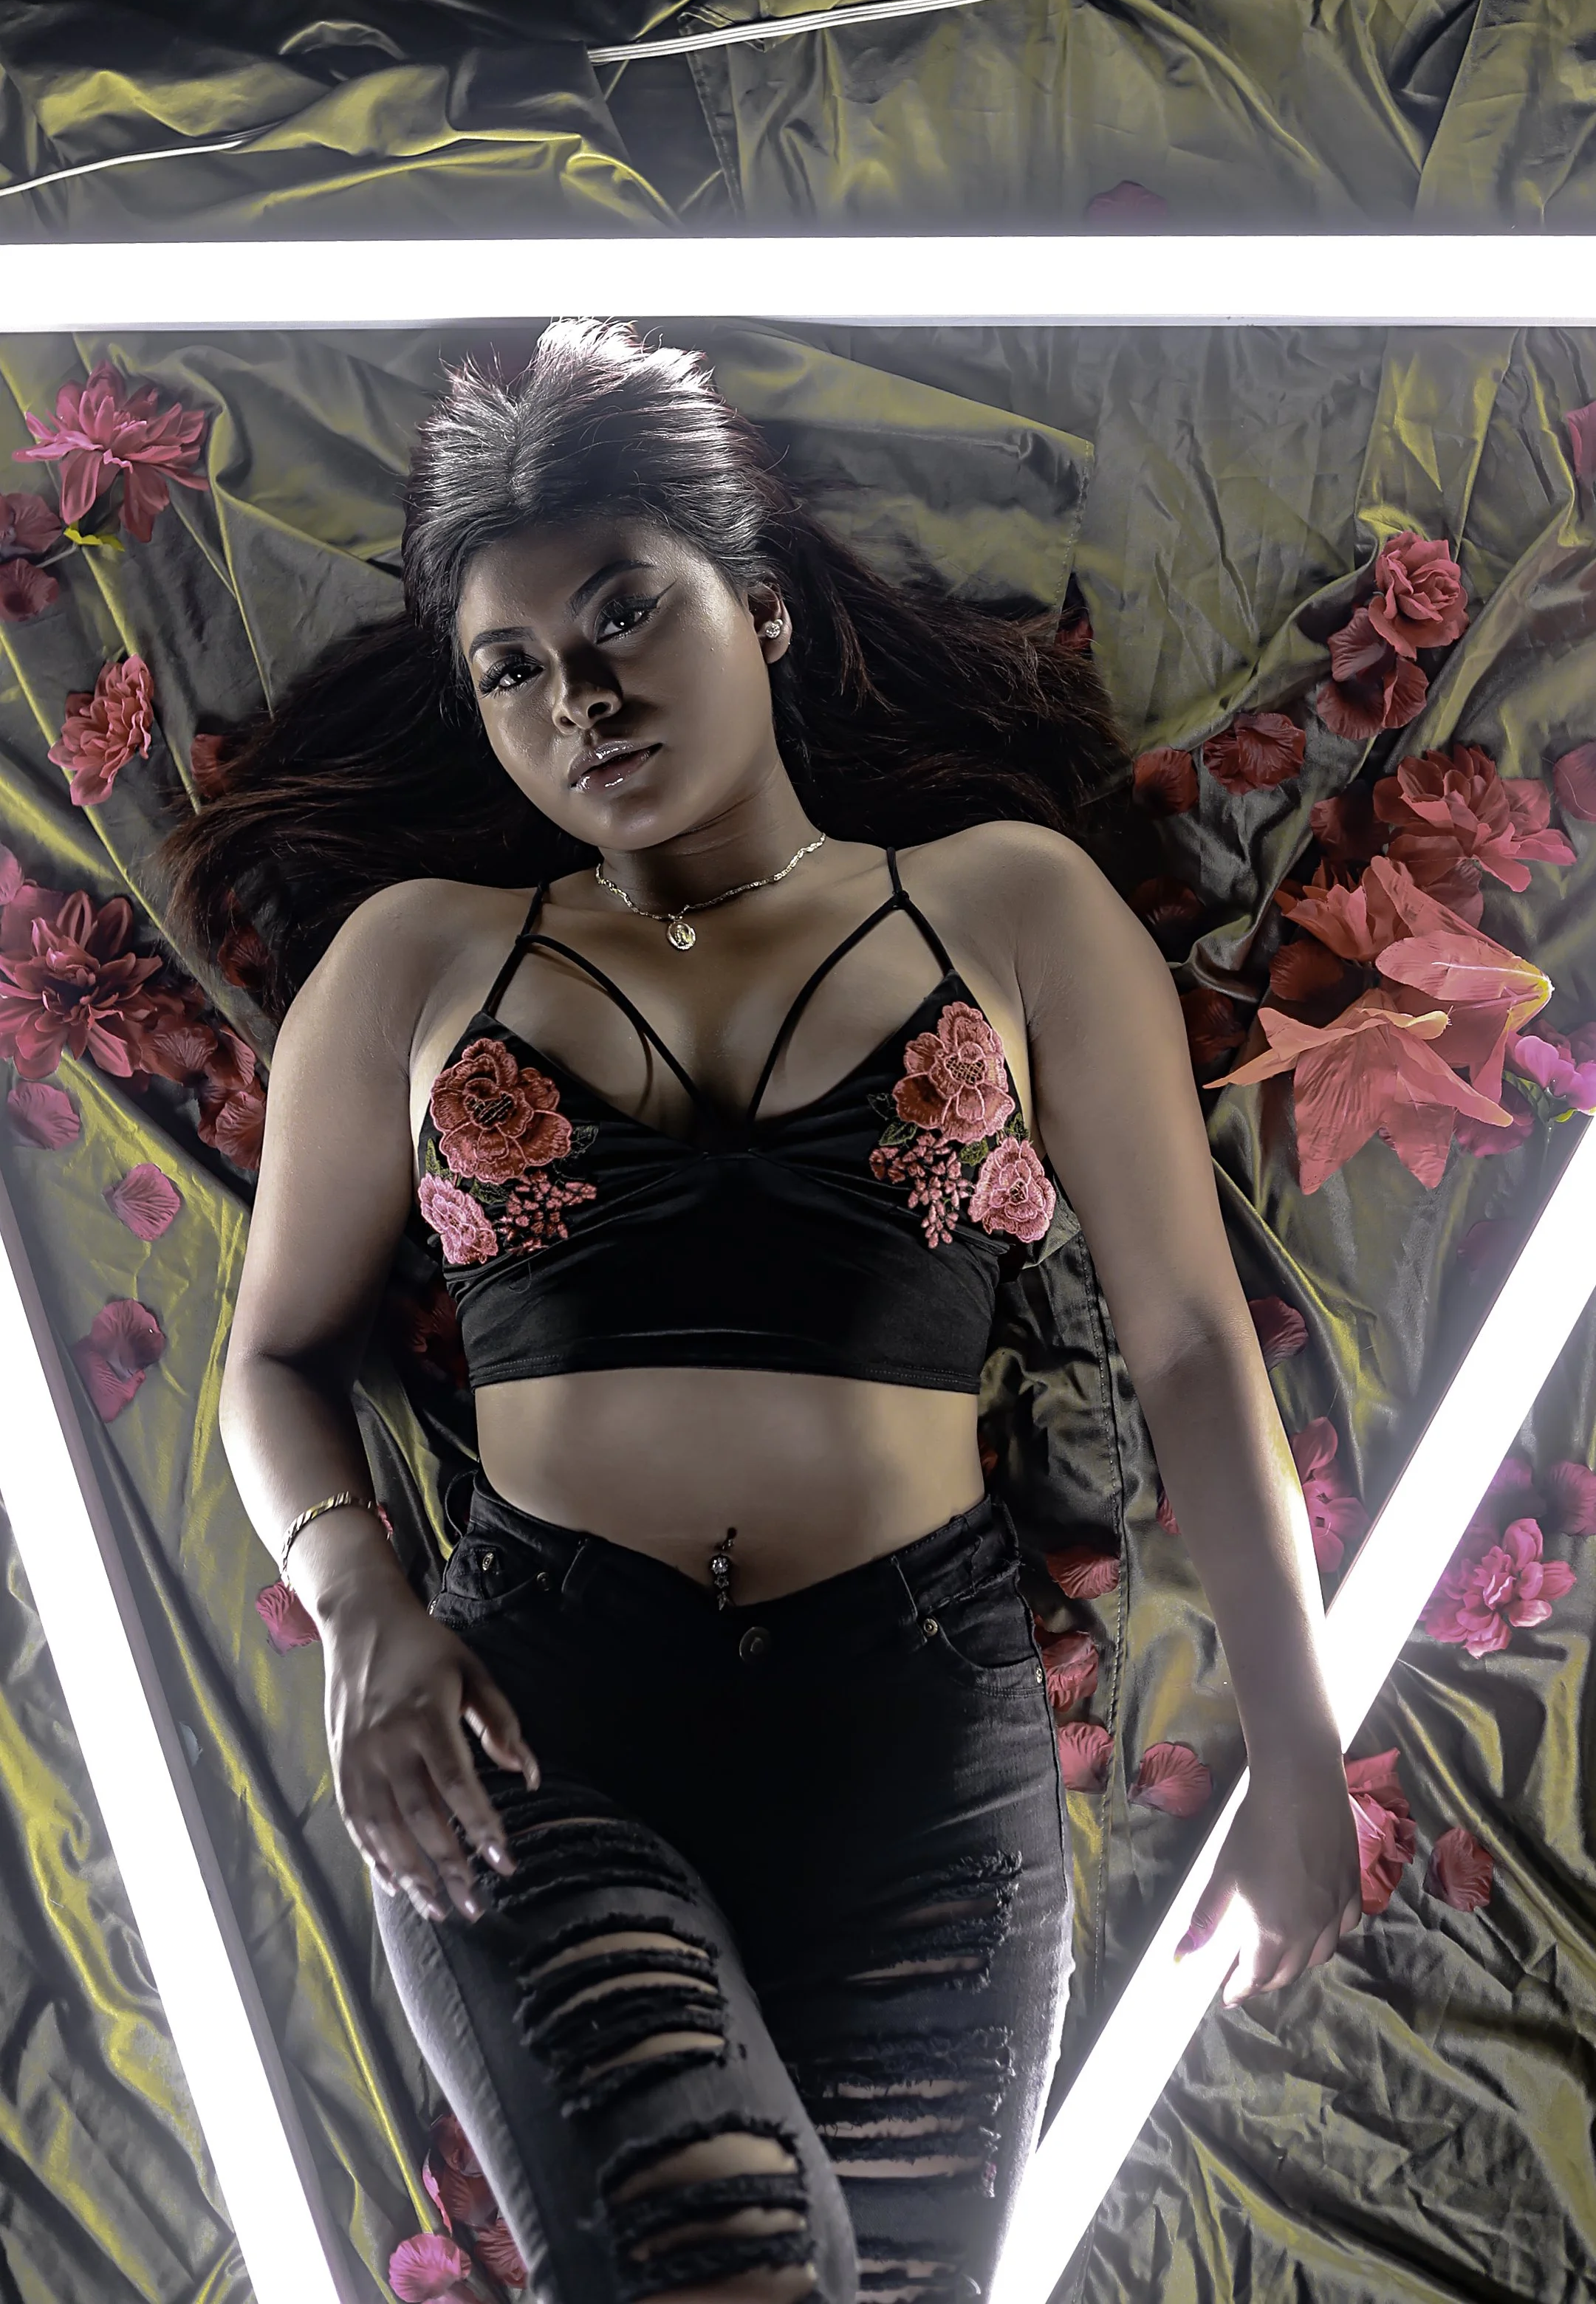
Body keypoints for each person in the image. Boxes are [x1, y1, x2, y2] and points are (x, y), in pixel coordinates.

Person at [162, 320, 1362, 2304]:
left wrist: (1301, 1758)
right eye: (513, 669)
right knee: (715, 2258)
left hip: (916, 1756)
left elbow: (1185, 1344)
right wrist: (367, 1617)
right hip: (538, 1730)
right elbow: (275, 1359)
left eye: (628, 613)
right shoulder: (416, 959)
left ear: (769, 605)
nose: (583, 696)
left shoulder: (1011, 906)